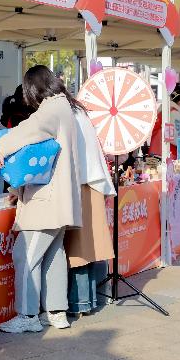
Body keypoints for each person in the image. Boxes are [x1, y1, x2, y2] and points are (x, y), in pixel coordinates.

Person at [0, 65, 82, 333]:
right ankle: (56, 312)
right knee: (53, 256)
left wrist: (1, 147)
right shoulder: (65, 107)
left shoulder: (51, 108)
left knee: (26, 255)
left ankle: (28, 315)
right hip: (59, 199)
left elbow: (29, 128)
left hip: (45, 200)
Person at [64, 108, 116, 315]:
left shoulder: (68, 113)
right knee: (87, 248)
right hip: (91, 182)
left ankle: (81, 302)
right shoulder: (79, 114)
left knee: (79, 250)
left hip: (81, 183)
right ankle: (89, 300)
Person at [148, 91, 180, 159]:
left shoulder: (165, 110)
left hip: (156, 148)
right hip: (166, 151)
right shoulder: (175, 113)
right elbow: (173, 136)